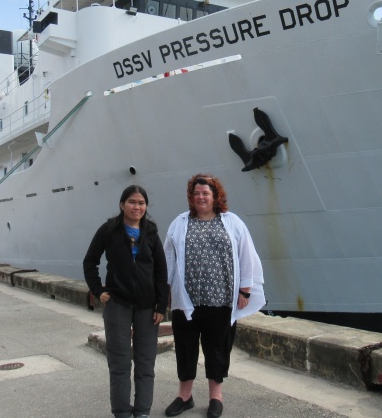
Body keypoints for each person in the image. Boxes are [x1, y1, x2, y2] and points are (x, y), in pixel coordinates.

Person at [163, 174, 265, 418]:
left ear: (215, 196)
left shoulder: (231, 222)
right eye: (196, 193)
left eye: (205, 193)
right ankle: (184, 396)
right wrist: (165, 290)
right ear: (191, 197)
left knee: (217, 348)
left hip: (220, 300)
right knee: (185, 347)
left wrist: (245, 290)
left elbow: (246, 255)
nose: (201, 197)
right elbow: (168, 256)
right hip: (186, 300)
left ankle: (215, 398)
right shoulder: (180, 222)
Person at [83, 185, 168, 418]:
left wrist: (161, 306)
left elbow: (161, 270)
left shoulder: (150, 232)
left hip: (147, 306)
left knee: (145, 363)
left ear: (146, 207)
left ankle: (142, 411)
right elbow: (90, 261)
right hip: (117, 303)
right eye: (132, 202)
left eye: (141, 203)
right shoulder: (109, 230)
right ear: (122, 204)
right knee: (119, 363)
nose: (137, 207)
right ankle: (121, 411)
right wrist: (98, 290)